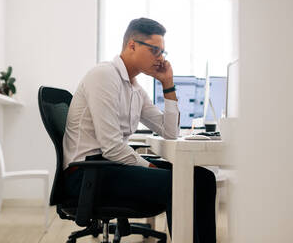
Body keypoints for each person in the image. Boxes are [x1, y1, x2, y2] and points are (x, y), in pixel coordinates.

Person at [62, 17, 216, 243]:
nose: (160, 58)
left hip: (110, 166)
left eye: (163, 52)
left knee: (203, 178)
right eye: (155, 50)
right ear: (131, 45)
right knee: (180, 183)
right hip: (88, 175)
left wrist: (168, 84)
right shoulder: (104, 76)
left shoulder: (135, 88)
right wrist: (151, 167)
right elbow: (112, 147)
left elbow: (170, 132)